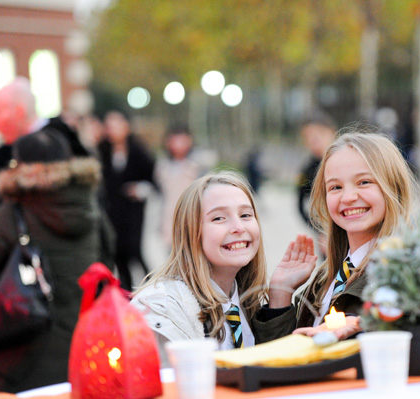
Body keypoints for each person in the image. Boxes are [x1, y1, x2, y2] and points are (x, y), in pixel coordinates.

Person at [131, 171, 316, 365]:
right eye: (219, 218)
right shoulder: (162, 311)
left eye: (245, 215)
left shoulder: (246, 303)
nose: (238, 227)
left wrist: (279, 297)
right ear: (191, 232)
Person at [0, 130, 112, 394]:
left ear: (21, 166)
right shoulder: (91, 208)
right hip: (85, 350)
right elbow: (107, 264)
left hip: (21, 357)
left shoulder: (13, 213)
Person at [258, 131, 416, 339]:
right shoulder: (323, 281)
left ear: (393, 187)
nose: (348, 197)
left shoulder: (410, 274)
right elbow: (286, 361)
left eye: (364, 182)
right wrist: (281, 295)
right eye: (335, 187)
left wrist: (365, 324)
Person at [98, 110, 156, 291]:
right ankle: (126, 292)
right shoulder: (102, 151)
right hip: (112, 211)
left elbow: (152, 180)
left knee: (134, 251)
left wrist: (139, 189)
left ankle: (153, 286)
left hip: (133, 211)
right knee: (118, 254)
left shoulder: (138, 151)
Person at [154, 123, 202, 252]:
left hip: (192, 216)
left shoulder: (196, 166)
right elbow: (161, 195)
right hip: (170, 218)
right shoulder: (163, 166)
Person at [296, 112, 338, 257]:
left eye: (319, 133)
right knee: (337, 278)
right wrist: (320, 231)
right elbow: (301, 205)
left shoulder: (349, 160)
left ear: (333, 132)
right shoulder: (308, 170)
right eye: (308, 136)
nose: (314, 139)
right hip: (327, 241)